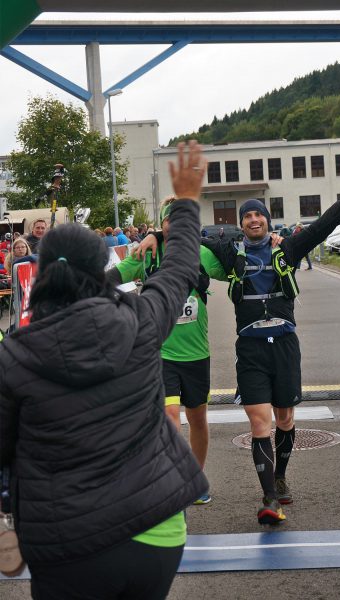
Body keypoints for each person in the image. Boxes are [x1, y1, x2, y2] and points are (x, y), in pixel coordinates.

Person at [0, 141, 208, 600]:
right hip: (158, 530)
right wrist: (187, 203)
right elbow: (178, 269)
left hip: (69, 542)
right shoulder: (141, 319)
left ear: (42, 272)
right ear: (103, 269)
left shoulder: (15, 356)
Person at [201, 168, 340, 526]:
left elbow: (328, 222)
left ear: (268, 222)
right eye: (247, 216)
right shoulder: (227, 252)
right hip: (250, 348)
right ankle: (269, 499)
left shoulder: (290, 249)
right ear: (241, 224)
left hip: (284, 344)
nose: (253, 219)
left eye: (258, 215)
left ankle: (280, 475)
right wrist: (155, 235)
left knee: (284, 418)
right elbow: (186, 237)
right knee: (258, 421)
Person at [107, 195, 228, 505]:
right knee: (170, 416)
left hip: (197, 353)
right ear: (161, 224)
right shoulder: (146, 252)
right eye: (167, 221)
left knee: (198, 419)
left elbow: (234, 267)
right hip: (160, 353)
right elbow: (111, 278)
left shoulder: (200, 253)